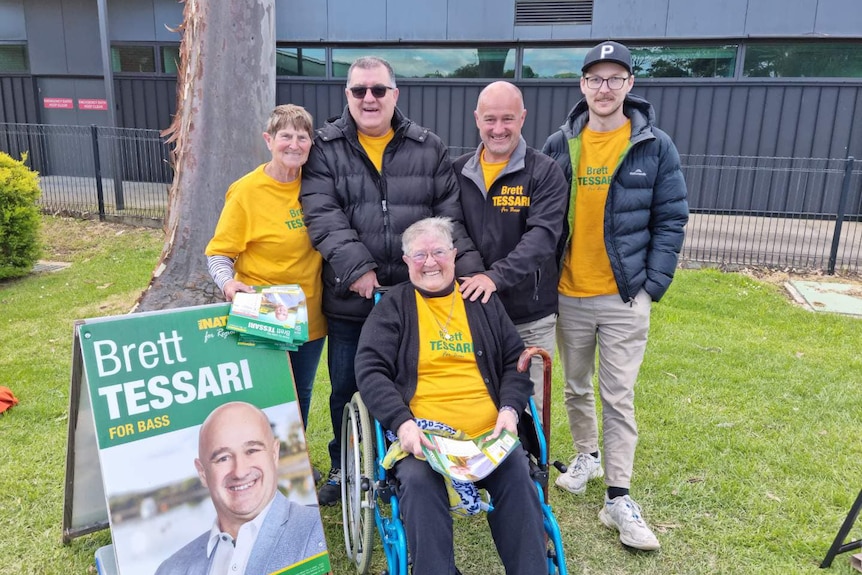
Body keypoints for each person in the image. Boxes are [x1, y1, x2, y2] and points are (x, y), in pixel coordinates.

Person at [300, 56, 484, 505]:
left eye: (378, 90)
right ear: (347, 95)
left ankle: (409, 464)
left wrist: (471, 267)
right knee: (346, 388)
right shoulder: (324, 147)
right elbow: (322, 211)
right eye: (359, 90)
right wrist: (356, 267)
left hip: (414, 297)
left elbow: (449, 218)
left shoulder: (428, 145)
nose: (369, 98)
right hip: (352, 298)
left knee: (411, 383)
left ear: (394, 95)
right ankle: (345, 469)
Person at [542, 40, 689, 551]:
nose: (604, 88)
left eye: (614, 79)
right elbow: (541, 215)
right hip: (568, 293)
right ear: (582, 85)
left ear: (630, 84)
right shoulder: (559, 143)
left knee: (618, 396)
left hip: (624, 296)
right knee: (576, 387)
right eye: (594, 79)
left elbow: (672, 217)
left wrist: (651, 285)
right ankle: (586, 456)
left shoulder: (654, 145)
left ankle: (619, 499)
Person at [354, 217, 546, 575]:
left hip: (489, 434)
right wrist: (403, 424)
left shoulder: (480, 300)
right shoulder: (393, 306)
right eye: (419, 254)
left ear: (454, 255)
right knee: (415, 480)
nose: (430, 262)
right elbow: (370, 370)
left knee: (518, 472)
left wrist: (509, 412)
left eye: (438, 252)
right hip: (425, 439)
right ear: (406, 260)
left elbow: (513, 362)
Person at [205, 104, 325, 429]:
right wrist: (227, 284)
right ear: (268, 140)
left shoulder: (318, 185)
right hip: (263, 310)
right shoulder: (246, 192)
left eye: (302, 137)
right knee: (263, 396)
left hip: (310, 313)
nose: (294, 144)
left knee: (300, 393)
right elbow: (219, 253)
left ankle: (293, 468)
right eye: (285, 136)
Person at [454, 81, 567, 417]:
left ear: (523, 118)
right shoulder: (457, 171)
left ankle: (529, 468)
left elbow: (542, 237)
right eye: (490, 119)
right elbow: (451, 228)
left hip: (529, 315)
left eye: (508, 119)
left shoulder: (545, 171)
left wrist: (495, 277)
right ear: (476, 118)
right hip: (473, 314)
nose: (498, 129)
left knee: (528, 411)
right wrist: (476, 275)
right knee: (479, 407)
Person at [155, 402, 327, 575]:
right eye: (223, 458)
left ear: (274, 454)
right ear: (202, 473)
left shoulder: (318, 536)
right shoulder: (170, 570)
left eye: (252, 450)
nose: (240, 471)